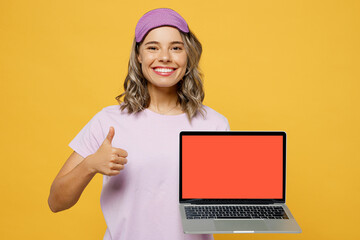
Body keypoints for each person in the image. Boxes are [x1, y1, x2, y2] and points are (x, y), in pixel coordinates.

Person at [48, 8, 230, 240]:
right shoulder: (109, 121)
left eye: (176, 47)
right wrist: (90, 165)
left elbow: (219, 210)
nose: (165, 56)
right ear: (138, 56)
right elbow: (55, 201)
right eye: (153, 47)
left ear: (188, 56)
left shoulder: (213, 124)